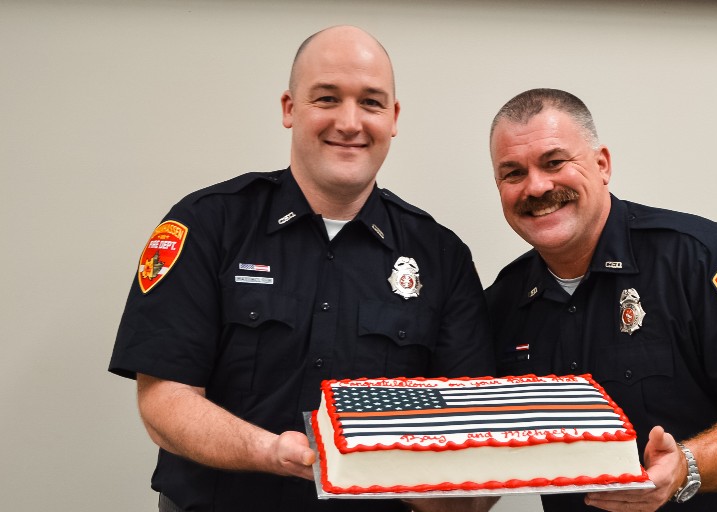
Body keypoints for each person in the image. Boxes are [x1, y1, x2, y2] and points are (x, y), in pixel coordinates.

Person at [109, 26, 496, 512]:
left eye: (371, 102)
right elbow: (164, 403)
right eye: (327, 98)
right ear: (290, 108)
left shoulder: (442, 258)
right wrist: (271, 452)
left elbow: (476, 448)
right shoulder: (209, 223)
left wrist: (401, 478)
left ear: (393, 118)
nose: (350, 122)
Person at [485, 88, 717, 512]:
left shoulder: (702, 257)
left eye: (554, 162)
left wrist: (686, 466)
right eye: (513, 173)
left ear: (602, 164)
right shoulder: (503, 304)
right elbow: (487, 456)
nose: (536, 186)